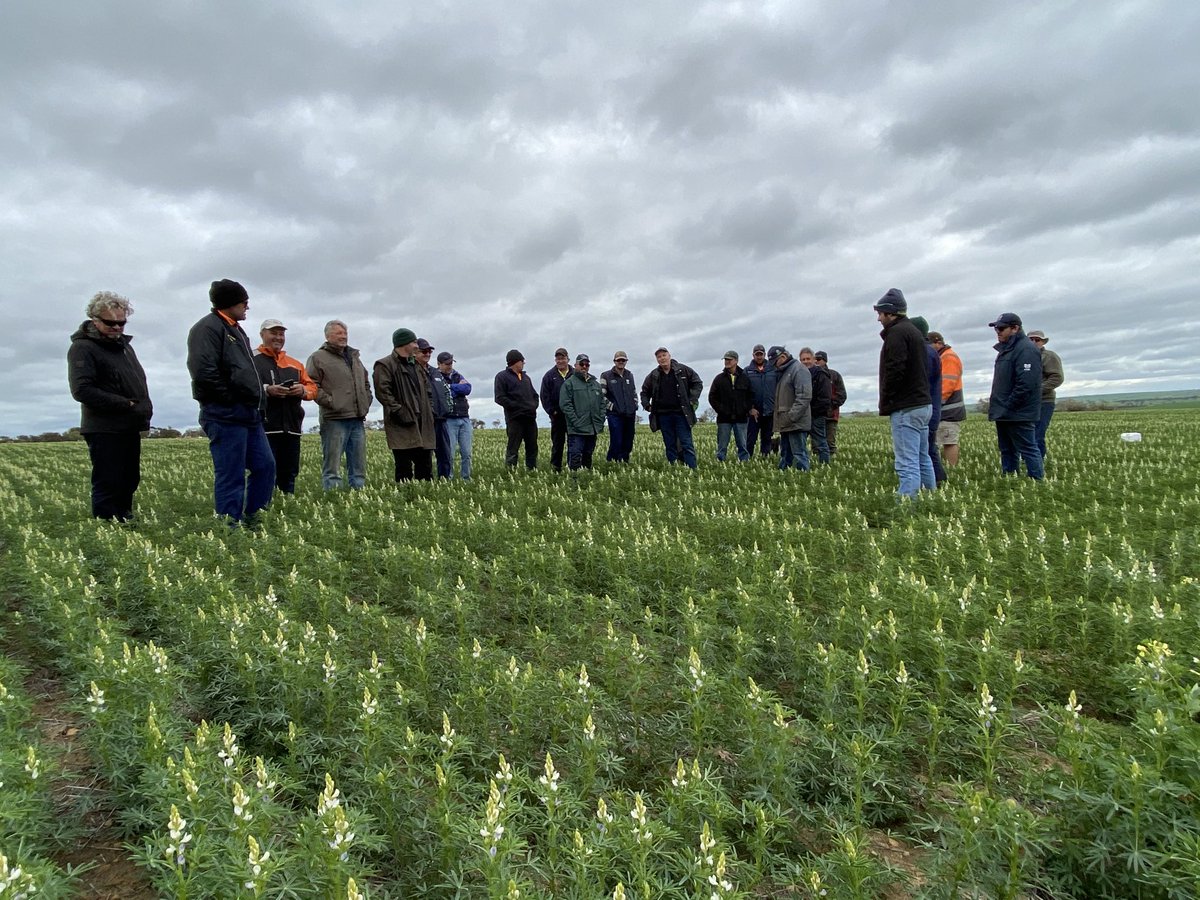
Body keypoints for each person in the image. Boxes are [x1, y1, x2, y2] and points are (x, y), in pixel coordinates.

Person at [186, 279, 276, 526]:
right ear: (228, 303)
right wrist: (230, 400)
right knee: (231, 474)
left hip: (249, 413)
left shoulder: (235, 329)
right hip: (225, 414)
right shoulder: (207, 328)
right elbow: (204, 373)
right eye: (242, 302)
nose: (247, 306)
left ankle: (255, 518)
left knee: (265, 466)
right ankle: (229, 527)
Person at [67, 291, 153, 521]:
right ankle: (107, 525)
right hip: (104, 427)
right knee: (109, 480)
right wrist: (126, 404)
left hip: (128, 424)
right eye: (110, 323)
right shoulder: (83, 348)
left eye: (121, 323)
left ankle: (124, 520)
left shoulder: (124, 347)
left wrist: (141, 410)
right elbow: (82, 390)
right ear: (95, 320)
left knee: (129, 478)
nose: (117, 327)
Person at [874, 289, 933, 498]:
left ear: (891, 313)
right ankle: (930, 498)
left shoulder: (897, 333)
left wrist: (888, 397)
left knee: (907, 462)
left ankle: (907, 505)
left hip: (906, 406)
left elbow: (895, 369)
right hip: (922, 404)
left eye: (881, 313)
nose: (879, 318)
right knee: (922, 457)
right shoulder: (914, 332)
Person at [306, 320, 372, 490]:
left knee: (358, 465)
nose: (343, 337)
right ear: (327, 336)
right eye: (338, 333)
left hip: (357, 418)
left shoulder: (354, 357)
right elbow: (312, 385)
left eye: (345, 333)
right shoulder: (317, 357)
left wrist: (366, 401)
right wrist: (332, 402)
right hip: (334, 419)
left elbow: (365, 382)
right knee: (332, 465)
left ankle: (358, 494)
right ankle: (333, 497)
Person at [253, 318, 317, 494]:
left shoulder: (295, 364)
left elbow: (313, 388)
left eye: (281, 334)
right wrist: (268, 390)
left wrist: (302, 390)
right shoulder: (251, 359)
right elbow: (243, 386)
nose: (278, 337)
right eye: (273, 333)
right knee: (264, 471)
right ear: (262, 335)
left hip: (292, 427)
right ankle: (263, 509)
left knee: (289, 473)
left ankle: (286, 506)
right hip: (264, 427)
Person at [373, 328, 435, 481]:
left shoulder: (416, 365)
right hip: (401, 425)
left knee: (426, 470)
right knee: (403, 470)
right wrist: (399, 411)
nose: (416, 345)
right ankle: (407, 500)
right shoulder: (385, 365)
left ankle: (425, 500)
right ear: (403, 344)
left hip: (423, 424)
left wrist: (430, 410)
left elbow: (428, 391)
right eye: (413, 342)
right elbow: (383, 393)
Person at [988, 313, 1043, 480]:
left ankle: (1036, 482)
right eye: (996, 328)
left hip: (1018, 411)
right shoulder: (1007, 349)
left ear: (1015, 328)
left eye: (1002, 328)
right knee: (1007, 449)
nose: (998, 331)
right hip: (1004, 411)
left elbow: (1026, 383)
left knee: (1027, 448)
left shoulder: (1026, 349)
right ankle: (1010, 479)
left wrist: (1008, 405)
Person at [640, 347, 703, 469]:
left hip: (681, 414)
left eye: (664, 355)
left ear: (669, 356)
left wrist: (691, 400)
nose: (662, 358)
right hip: (663, 415)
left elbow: (697, 383)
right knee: (670, 444)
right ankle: (674, 469)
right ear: (657, 360)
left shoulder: (683, 370)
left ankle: (692, 469)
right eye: (659, 357)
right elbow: (644, 392)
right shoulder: (654, 375)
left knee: (686, 443)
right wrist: (647, 405)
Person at [909, 317, 945, 486]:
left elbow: (919, 383)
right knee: (927, 451)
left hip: (922, 408)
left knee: (926, 451)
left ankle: (935, 483)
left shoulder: (923, 352)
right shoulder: (930, 352)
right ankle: (935, 483)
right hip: (929, 409)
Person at [559, 354, 606, 473]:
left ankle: (586, 478)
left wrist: (600, 419)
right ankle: (574, 483)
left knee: (588, 455)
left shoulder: (595, 384)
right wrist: (576, 421)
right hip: (576, 429)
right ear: (575, 366)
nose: (584, 366)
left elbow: (602, 404)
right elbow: (565, 404)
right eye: (582, 364)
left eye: (587, 364)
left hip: (592, 427)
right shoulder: (569, 383)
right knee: (575, 455)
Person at [494, 349, 539, 469]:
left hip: (530, 418)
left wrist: (534, 405)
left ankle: (532, 471)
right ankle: (510, 472)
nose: (523, 363)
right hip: (515, 419)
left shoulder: (526, 377)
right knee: (513, 449)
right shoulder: (502, 377)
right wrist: (516, 406)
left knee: (532, 447)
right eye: (522, 361)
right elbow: (499, 398)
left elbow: (534, 395)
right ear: (515, 362)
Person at [769, 346, 812, 471]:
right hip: (786, 421)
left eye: (775, 362)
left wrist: (791, 417)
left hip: (796, 422)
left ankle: (803, 477)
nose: (774, 366)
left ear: (783, 357)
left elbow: (804, 397)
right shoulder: (784, 372)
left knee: (799, 453)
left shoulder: (799, 370)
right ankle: (783, 474)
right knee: (785, 453)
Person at [708, 350, 753, 462]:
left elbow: (751, 396)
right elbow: (712, 397)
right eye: (726, 360)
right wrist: (721, 410)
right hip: (724, 418)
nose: (727, 362)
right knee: (722, 444)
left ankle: (744, 462)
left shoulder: (745, 378)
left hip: (741, 418)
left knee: (742, 444)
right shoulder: (719, 379)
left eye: (729, 359)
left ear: (736, 361)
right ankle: (720, 462)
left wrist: (745, 409)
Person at [928, 332, 964, 468]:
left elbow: (946, 385)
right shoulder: (941, 356)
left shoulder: (948, 357)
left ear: (938, 343)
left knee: (949, 441)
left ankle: (952, 469)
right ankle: (945, 468)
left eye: (930, 345)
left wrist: (935, 404)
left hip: (949, 410)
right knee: (941, 440)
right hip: (944, 409)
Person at [418, 338, 454, 478]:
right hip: (426, 420)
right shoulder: (414, 371)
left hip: (441, 419)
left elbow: (446, 392)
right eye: (424, 351)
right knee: (425, 456)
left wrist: (447, 409)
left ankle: (445, 481)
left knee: (445, 454)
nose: (427, 354)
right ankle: (426, 484)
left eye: (429, 351)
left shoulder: (435, 372)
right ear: (415, 352)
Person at [1027, 330, 1064, 461]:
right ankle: (1029, 460)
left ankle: (1038, 462)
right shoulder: (1023, 357)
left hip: (1044, 401)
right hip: (1025, 402)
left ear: (1043, 342)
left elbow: (1057, 378)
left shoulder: (1049, 356)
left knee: (1038, 433)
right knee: (1026, 433)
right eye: (1030, 339)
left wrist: (1037, 390)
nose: (1033, 342)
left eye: (1037, 340)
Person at [439, 351, 473, 479]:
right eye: (447, 364)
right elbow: (443, 393)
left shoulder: (457, 375)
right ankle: (449, 478)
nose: (450, 366)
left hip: (464, 417)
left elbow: (468, 388)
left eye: (451, 363)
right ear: (440, 364)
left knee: (467, 453)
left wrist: (451, 387)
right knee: (449, 453)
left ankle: (466, 478)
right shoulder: (436, 376)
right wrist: (456, 388)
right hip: (449, 419)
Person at [600, 350, 637, 462]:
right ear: (614, 361)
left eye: (623, 360)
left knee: (628, 440)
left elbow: (634, 392)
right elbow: (602, 396)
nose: (621, 362)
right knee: (616, 440)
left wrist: (634, 404)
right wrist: (612, 407)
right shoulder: (606, 375)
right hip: (615, 415)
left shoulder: (629, 375)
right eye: (618, 360)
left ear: (626, 361)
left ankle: (624, 461)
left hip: (629, 413)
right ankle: (611, 462)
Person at [540, 348, 573, 472]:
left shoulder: (574, 374)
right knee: (557, 444)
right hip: (557, 417)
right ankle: (556, 468)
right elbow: (544, 396)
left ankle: (572, 467)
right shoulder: (549, 376)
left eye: (563, 358)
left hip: (572, 417)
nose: (560, 361)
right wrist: (552, 412)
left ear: (567, 359)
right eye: (558, 359)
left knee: (573, 443)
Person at [798, 348, 831, 464]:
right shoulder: (799, 374)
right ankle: (803, 464)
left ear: (813, 359)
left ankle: (825, 465)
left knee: (820, 441)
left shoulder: (821, 374)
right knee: (800, 442)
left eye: (808, 359)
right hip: (802, 415)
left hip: (816, 415)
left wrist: (813, 411)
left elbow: (825, 398)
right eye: (803, 359)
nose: (806, 361)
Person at [744, 344, 778, 457]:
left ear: (764, 355)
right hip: (754, 412)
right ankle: (747, 459)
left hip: (769, 410)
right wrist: (750, 408)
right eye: (757, 354)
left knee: (767, 438)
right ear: (753, 355)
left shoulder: (773, 369)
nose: (759, 357)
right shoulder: (747, 371)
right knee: (750, 438)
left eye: (761, 354)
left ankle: (765, 458)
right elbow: (744, 393)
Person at [814, 351, 846, 456]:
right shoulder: (811, 374)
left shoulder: (834, 375)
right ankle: (817, 464)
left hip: (831, 415)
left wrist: (830, 405)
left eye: (819, 360)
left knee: (830, 441)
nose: (816, 362)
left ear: (825, 361)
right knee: (815, 443)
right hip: (815, 414)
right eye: (815, 359)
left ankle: (831, 464)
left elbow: (842, 395)